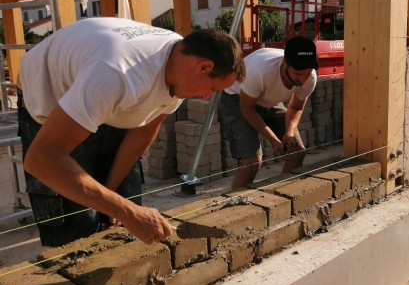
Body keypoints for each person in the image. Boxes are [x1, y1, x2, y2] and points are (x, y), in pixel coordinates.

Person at [17, 17, 245, 247]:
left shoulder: (178, 67)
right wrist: (126, 211)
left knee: (124, 206)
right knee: (80, 224)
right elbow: (41, 158)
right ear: (204, 67)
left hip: (102, 95)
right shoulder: (117, 73)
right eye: (212, 89)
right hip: (53, 97)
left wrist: (113, 192)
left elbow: (143, 132)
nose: (206, 97)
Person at [220, 36, 318, 189]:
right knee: (252, 161)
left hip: (267, 98)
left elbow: (296, 107)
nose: (303, 78)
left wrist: (289, 132)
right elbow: (247, 109)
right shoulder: (260, 70)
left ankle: (283, 199)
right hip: (238, 97)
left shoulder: (309, 78)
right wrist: (274, 140)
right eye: (298, 73)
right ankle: (235, 207)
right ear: (285, 63)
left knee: (297, 151)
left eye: (307, 72)